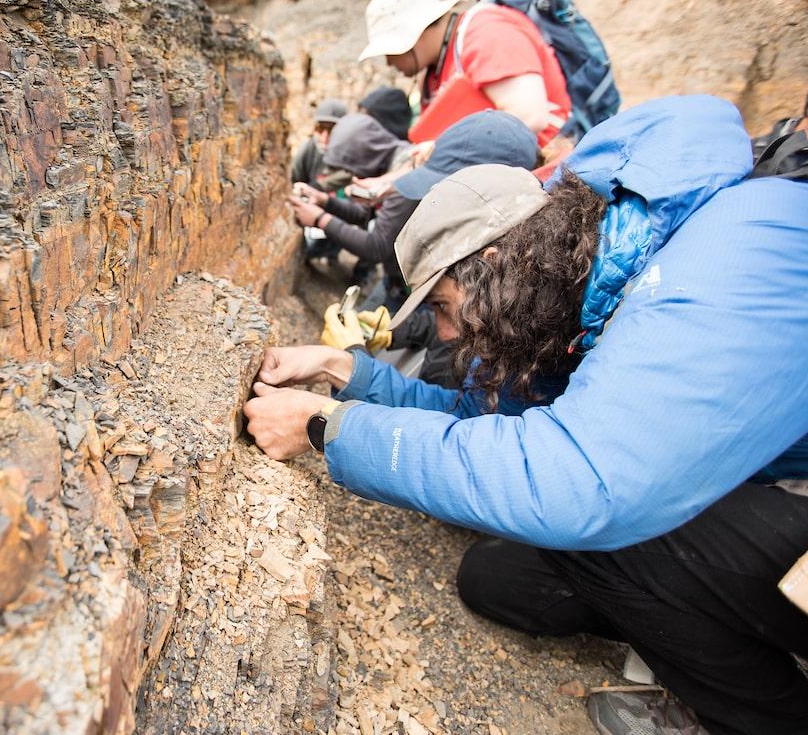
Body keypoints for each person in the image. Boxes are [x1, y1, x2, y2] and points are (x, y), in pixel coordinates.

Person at [246, 96, 808, 735]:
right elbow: (477, 419)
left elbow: (580, 482)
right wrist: (346, 374)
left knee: (597, 535)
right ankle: (704, 641)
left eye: (449, 309)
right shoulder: (564, 284)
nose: (450, 335)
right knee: (503, 578)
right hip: (740, 488)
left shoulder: (714, 269)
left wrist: (328, 428)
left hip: (786, 502)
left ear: (490, 267)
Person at [292, 110, 539, 387]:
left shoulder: (503, 345)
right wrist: (393, 331)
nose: (431, 201)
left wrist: (354, 367)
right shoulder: (485, 300)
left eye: (442, 306)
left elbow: (429, 417)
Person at [359, 0, 571, 151]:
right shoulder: (434, 69)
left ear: (415, 34)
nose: (388, 61)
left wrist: (440, 149)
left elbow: (530, 118)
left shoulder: (486, 33)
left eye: (390, 50)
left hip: (548, 164)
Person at [291, 98, 348, 189]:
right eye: (320, 128)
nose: (324, 137)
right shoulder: (309, 149)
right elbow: (294, 181)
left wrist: (318, 187)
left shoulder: (353, 152)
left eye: (332, 130)